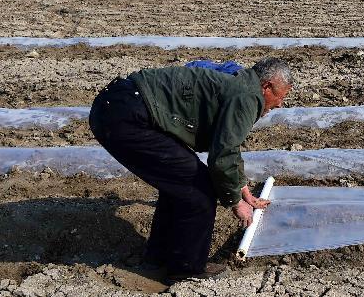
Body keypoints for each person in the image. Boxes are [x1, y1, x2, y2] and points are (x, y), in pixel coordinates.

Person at [88, 57, 293, 283]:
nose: (280, 104)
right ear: (267, 87)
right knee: (201, 188)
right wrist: (235, 201)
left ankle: (158, 259)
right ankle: (187, 269)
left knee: (179, 184)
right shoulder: (247, 96)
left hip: (119, 106)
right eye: (281, 97)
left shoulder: (241, 83)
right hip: (127, 116)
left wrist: (241, 186)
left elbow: (227, 147)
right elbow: (222, 157)